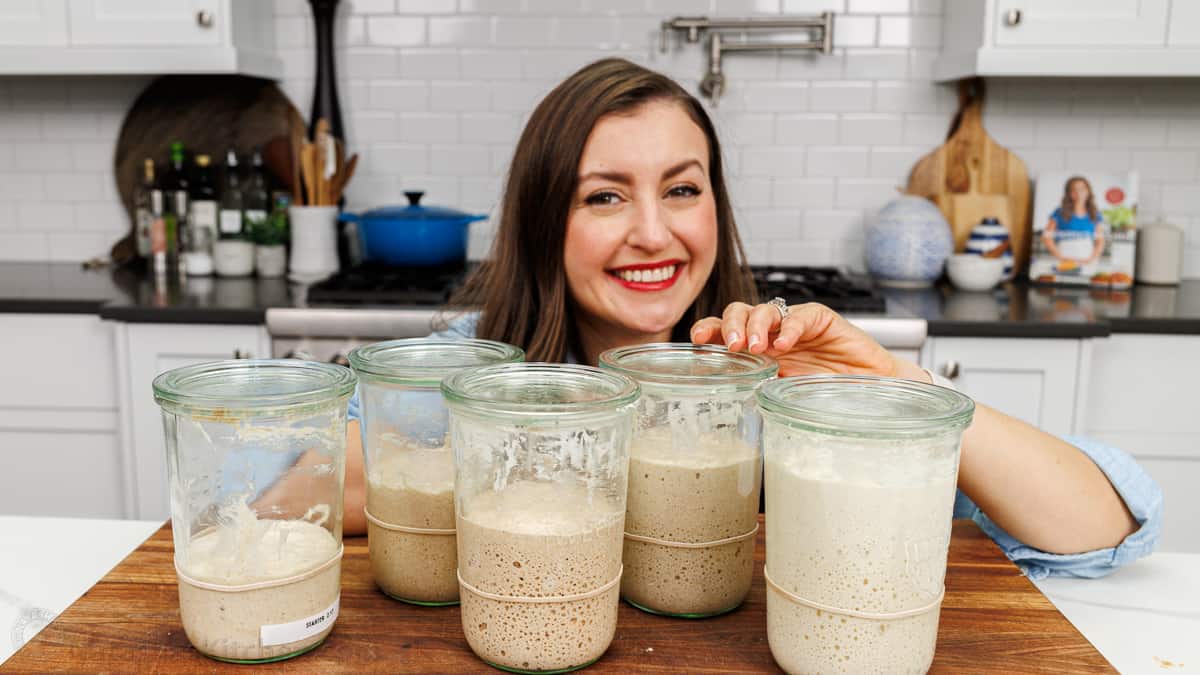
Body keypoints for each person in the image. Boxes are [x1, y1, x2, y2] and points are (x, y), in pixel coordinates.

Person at [340, 58, 1159, 580]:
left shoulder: (783, 382)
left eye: (683, 188)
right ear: (543, 220)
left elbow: (1103, 521)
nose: (654, 232)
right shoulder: (465, 370)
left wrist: (888, 387)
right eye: (604, 195)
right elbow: (278, 481)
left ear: (716, 207)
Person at [1042, 175, 1106, 273]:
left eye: (1082, 189)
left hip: (1087, 257)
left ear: (1088, 191)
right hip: (1065, 255)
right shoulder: (1059, 212)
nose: (1079, 193)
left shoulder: (1095, 214)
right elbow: (1047, 237)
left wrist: (1092, 258)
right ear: (1069, 193)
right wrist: (1060, 257)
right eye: (1074, 190)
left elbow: (1100, 240)